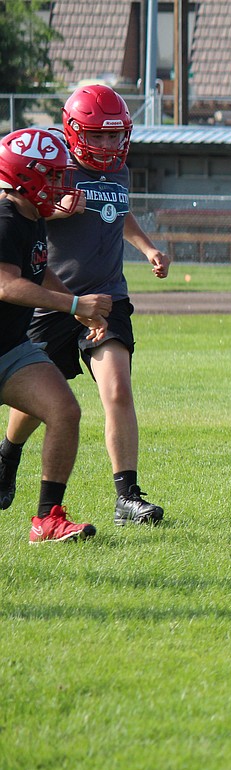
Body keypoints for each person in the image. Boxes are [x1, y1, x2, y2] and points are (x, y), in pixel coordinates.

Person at [0, 85, 171, 526]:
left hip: (107, 297)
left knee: (117, 388)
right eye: (98, 136)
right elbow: (26, 209)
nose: (108, 146)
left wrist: (149, 248)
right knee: (37, 400)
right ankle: (9, 452)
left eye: (116, 137)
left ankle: (127, 496)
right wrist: (57, 208)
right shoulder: (55, 165)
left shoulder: (119, 171)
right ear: (74, 131)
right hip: (54, 298)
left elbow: (120, 212)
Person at [0, 127, 112, 542]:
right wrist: (72, 306)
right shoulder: (6, 219)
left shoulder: (31, 217)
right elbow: (6, 285)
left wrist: (77, 307)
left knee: (64, 411)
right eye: (51, 177)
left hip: (10, 349)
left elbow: (36, 268)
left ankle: (47, 519)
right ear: (26, 178)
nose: (60, 186)